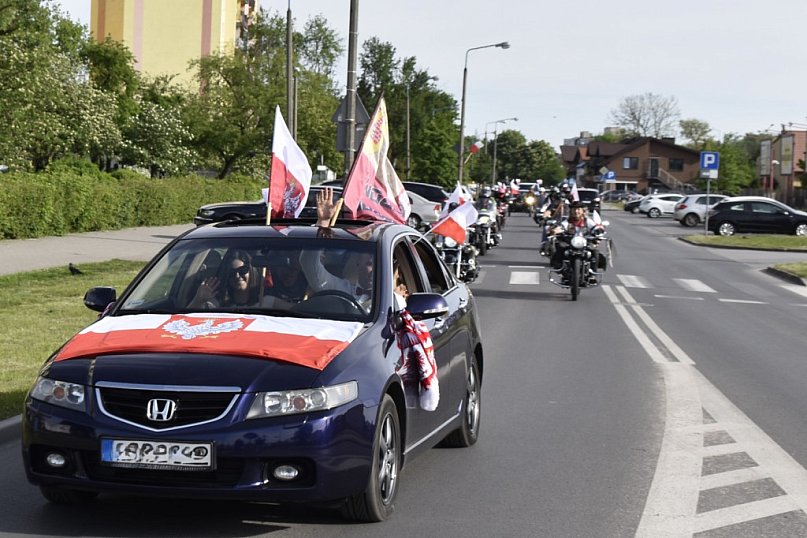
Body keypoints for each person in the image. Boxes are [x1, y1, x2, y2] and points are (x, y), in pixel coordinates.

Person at [299, 187, 375, 308]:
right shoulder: (341, 289)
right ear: (358, 262)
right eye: (369, 263)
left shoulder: (395, 301)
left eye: (380, 265)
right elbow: (308, 263)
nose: (374, 271)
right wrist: (323, 223)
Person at [190, 249, 261, 309]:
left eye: (242, 270)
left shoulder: (264, 302)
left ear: (251, 272)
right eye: (232, 272)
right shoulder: (218, 302)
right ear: (227, 275)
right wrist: (198, 300)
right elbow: (189, 317)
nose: (237, 276)